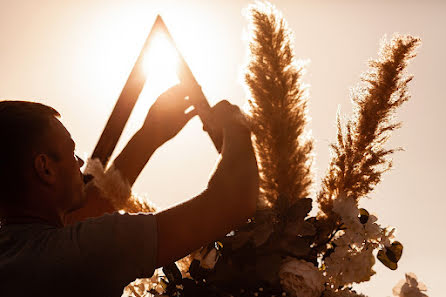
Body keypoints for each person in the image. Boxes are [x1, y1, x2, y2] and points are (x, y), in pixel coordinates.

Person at [0, 84, 259, 297]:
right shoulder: (82, 250)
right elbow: (233, 200)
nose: (80, 162)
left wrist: (149, 135)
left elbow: (93, 207)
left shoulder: (17, 254)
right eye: (71, 152)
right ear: (45, 169)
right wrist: (234, 122)